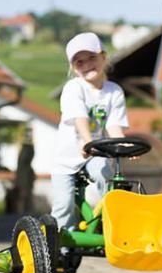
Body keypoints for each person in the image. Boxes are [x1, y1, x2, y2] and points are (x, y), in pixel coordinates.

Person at [51, 32, 128, 233]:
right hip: (67, 159)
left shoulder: (114, 91)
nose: (86, 65)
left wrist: (123, 146)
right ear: (73, 68)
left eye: (91, 58)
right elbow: (79, 118)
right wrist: (87, 141)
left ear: (103, 56)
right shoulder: (73, 88)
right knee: (64, 204)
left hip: (97, 154)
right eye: (79, 62)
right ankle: (59, 249)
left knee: (106, 174)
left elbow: (114, 125)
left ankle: (107, 222)